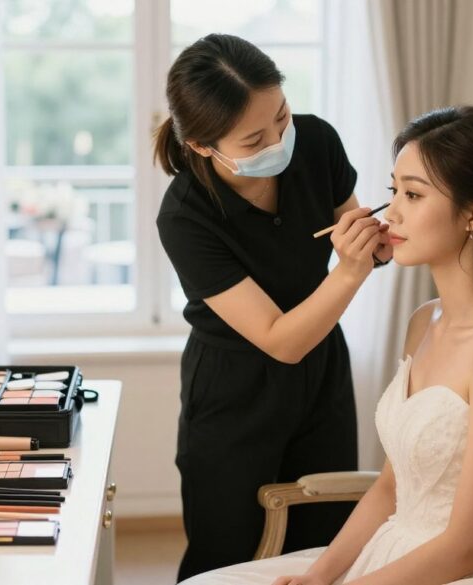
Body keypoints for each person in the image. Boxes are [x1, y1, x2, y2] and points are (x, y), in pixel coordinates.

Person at [181, 105, 473, 585]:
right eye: (395, 190)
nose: (388, 212)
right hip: (394, 553)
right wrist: (319, 577)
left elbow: (467, 549)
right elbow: (391, 488)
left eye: (413, 194)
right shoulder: (423, 321)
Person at [154, 34, 393, 582]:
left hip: (321, 373)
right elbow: (281, 340)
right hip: (233, 389)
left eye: (281, 117)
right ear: (202, 147)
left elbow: (358, 233)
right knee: (227, 551)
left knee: (325, 543)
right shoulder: (186, 215)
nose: (281, 139)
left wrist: (376, 245)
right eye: (255, 138)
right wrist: (352, 269)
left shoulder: (317, 142)